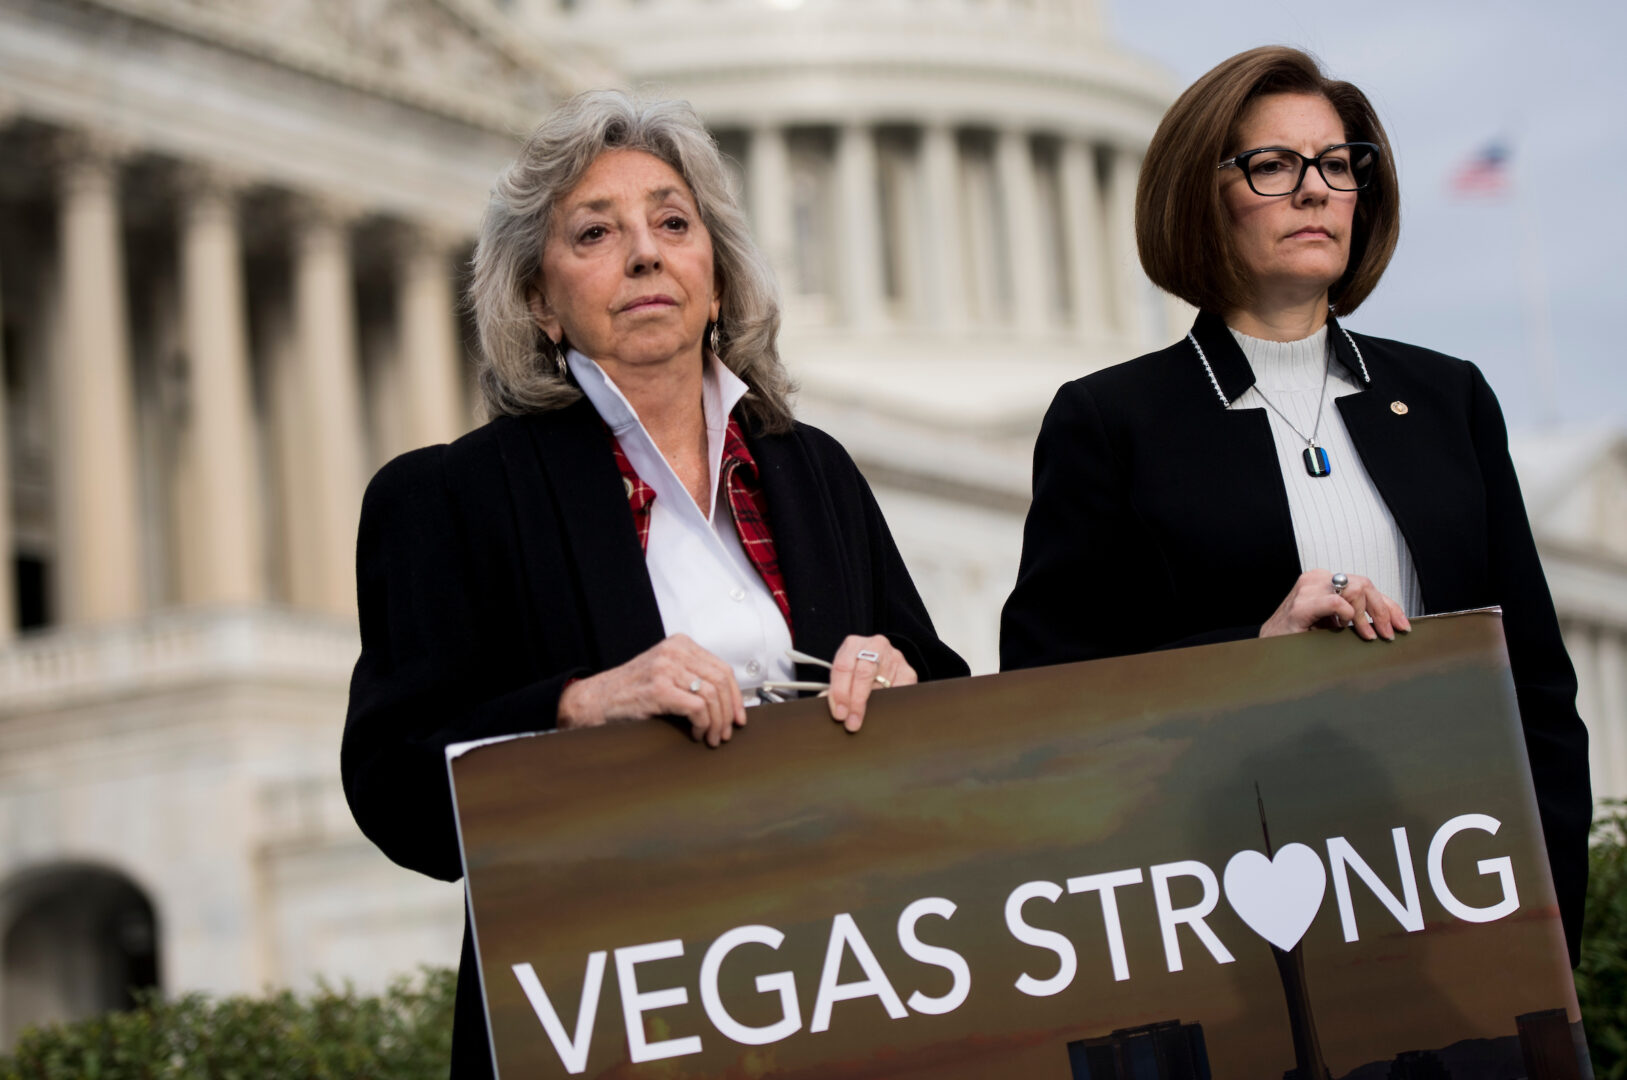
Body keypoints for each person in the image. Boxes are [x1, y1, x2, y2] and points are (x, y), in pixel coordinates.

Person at [342, 90, 967, 1077]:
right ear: (539, 300)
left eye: (673, 223)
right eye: (594, 231)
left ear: (715, 279)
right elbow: (393, 786)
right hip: (611, 1006)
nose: (643, 253)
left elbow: (946, 690)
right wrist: (578, 706)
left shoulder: (815, 474)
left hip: (847, 978)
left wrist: (902, 679)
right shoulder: (448, 498)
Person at [1000, 46, 1589, 963]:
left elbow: (1539, 687)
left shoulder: (1447, 398)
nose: (1314, 190)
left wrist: (1546, 909)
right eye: (1272, 166)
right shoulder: (1111, 421)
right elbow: (1048, 690)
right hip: (1226, 894)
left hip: (1457, 880)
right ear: (1202, 196)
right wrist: (1251, 659)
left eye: (1336, 163)